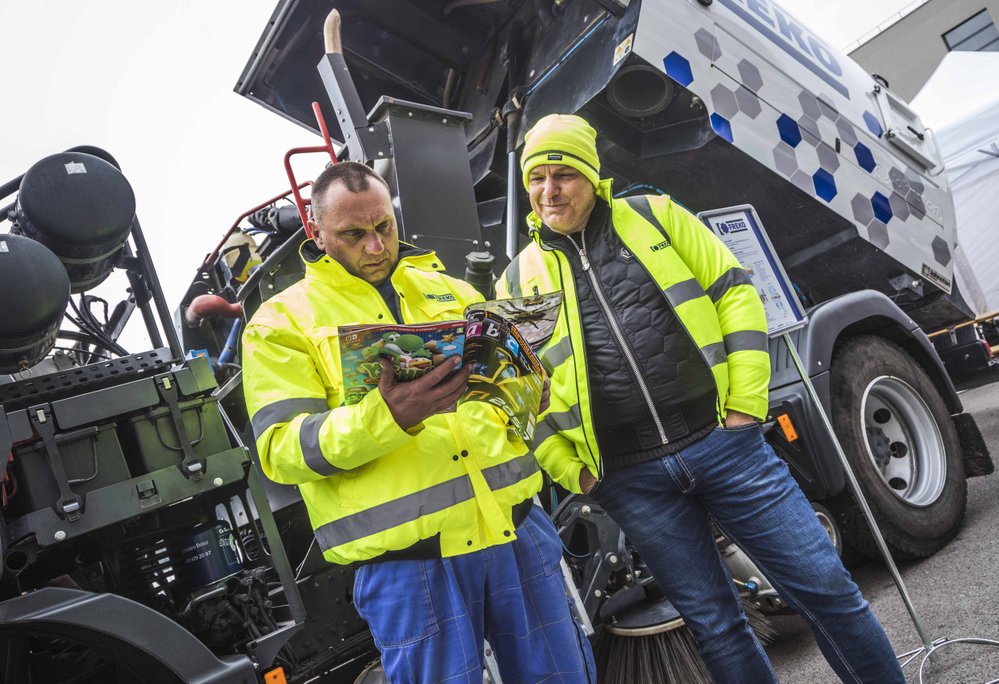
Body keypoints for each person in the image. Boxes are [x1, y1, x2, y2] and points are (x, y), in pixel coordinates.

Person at [496, 114, 906, 684]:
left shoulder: (654, 217)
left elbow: (734, 293)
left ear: (591, 174)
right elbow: (524, 396)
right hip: (630, 478)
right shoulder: (516, 283)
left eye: (563, 174)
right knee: (715, 625)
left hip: (724, 445)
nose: (549, 190)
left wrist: (743, 406)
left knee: (828, 591)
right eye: (536, 178)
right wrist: (577, 474)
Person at [242, 161, 595, 683]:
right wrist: (385, 418)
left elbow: (499, 402)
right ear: (316, 232)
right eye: (354, 235)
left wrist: (526, 393)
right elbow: (280, 451)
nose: (376, 247)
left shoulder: (451, 291)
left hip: (518, 532)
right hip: (408, 569)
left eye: (384, 227)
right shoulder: (279, 323)